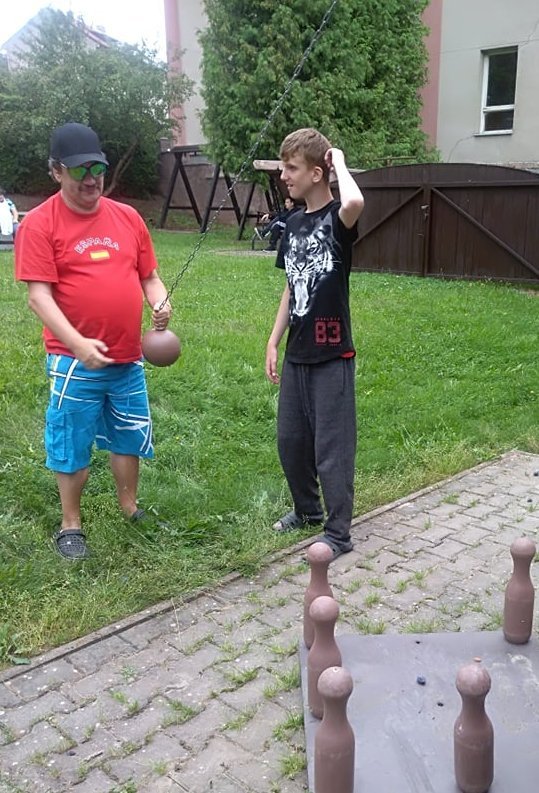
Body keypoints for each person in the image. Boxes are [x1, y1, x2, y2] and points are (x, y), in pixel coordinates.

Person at [14, 122, 172, 560]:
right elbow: (39, 298)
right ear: (56, 171)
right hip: (72, 359)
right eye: (80, 170)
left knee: (128, 434)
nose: (92, 179)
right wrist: (78, 344)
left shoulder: (127, 218)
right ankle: (71, 524)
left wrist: (160, 302)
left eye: (98, 168)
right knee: (71, 440)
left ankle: (130, 508)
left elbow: (149, 276)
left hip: (127, 356)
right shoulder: (39, 224)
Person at [265, 128, 364, 561]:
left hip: (332, 354)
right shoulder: (293, 223)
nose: (284, 176)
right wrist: (274, 340)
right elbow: (292, 286)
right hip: (297, 354)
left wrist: (337, 158)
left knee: (331, 450)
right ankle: (307, 511)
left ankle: (338, 533)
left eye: (291, 168)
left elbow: (355, 202)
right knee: (291, 441)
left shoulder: (338, 219)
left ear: (317, 173)